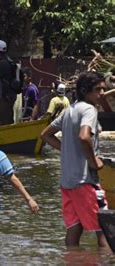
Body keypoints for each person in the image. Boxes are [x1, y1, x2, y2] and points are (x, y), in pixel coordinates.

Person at [41, 72, 109, 250]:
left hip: (67, 183)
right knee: (103, 231)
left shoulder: (69, 110)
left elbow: (45, 135)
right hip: (86, 181)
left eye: (104, 89)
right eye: (97, 90)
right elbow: (84, 136)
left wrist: (68, 150)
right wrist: (94, 161)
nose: (101, 93)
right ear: (85, 91)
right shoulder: (89, 109)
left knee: (74, 231)